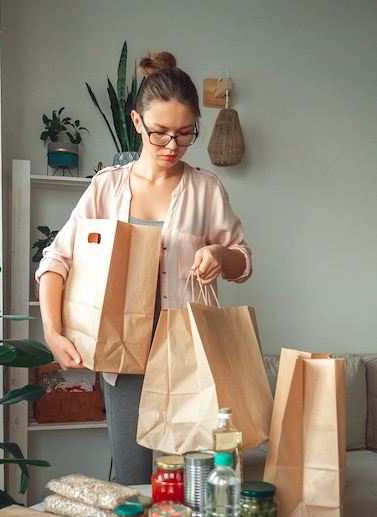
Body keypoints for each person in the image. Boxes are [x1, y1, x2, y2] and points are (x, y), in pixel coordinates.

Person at [35, 51, 252, 486]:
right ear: (136, 122)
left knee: (197, 480)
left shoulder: (206, 189)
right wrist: (52, 332)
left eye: (185, 134)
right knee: (130, 480)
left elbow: (242, 259)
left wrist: (219, 256)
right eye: (160, 133)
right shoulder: (107, 187)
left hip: (190, 355)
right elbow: (56, 259)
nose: (172, 146)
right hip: (123, 355)